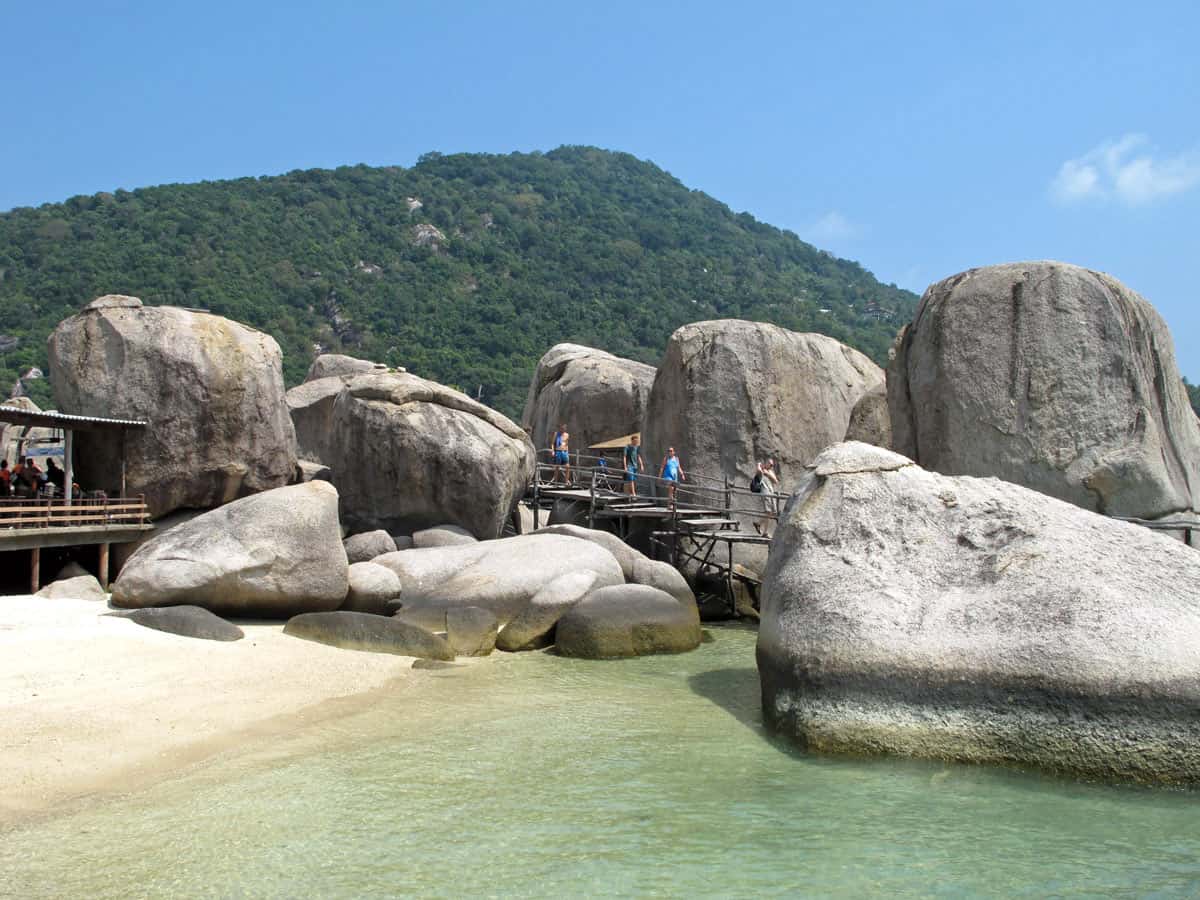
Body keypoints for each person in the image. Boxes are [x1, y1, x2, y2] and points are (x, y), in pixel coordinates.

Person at [752, 458, 780, 537]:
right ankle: (765, 532)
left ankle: (758, 523)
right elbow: (758, 471)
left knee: (772, 513)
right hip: (765, 492)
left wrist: (768, 474)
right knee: (768, 512)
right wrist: (759, 465)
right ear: (766, 463)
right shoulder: (761, 469)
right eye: (770, 464)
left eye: (772, 465)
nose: (771, 466)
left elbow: (776, 481)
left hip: (771, 493)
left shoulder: (770, 472)